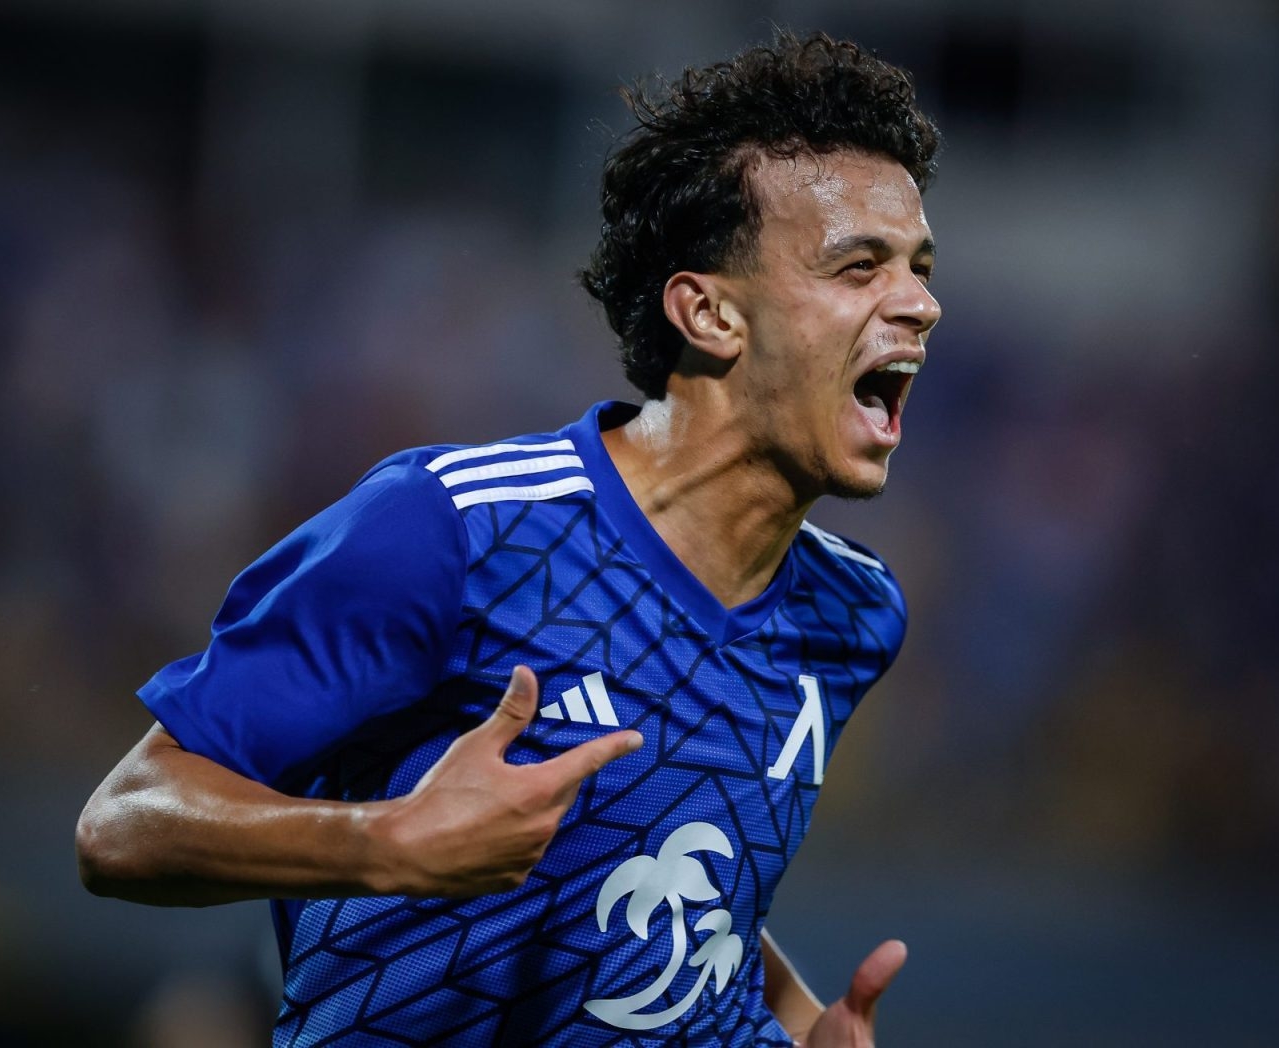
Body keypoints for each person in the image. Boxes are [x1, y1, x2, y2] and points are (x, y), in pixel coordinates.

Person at [77, 27, 941, 1047]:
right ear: (709, 313)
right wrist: (385, 841)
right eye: (858, 267)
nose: (920, 304)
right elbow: (123, 824)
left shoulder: (852, 614)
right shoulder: (454, 528)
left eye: (919, 267)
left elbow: (686, 880)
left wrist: (798, 1025)